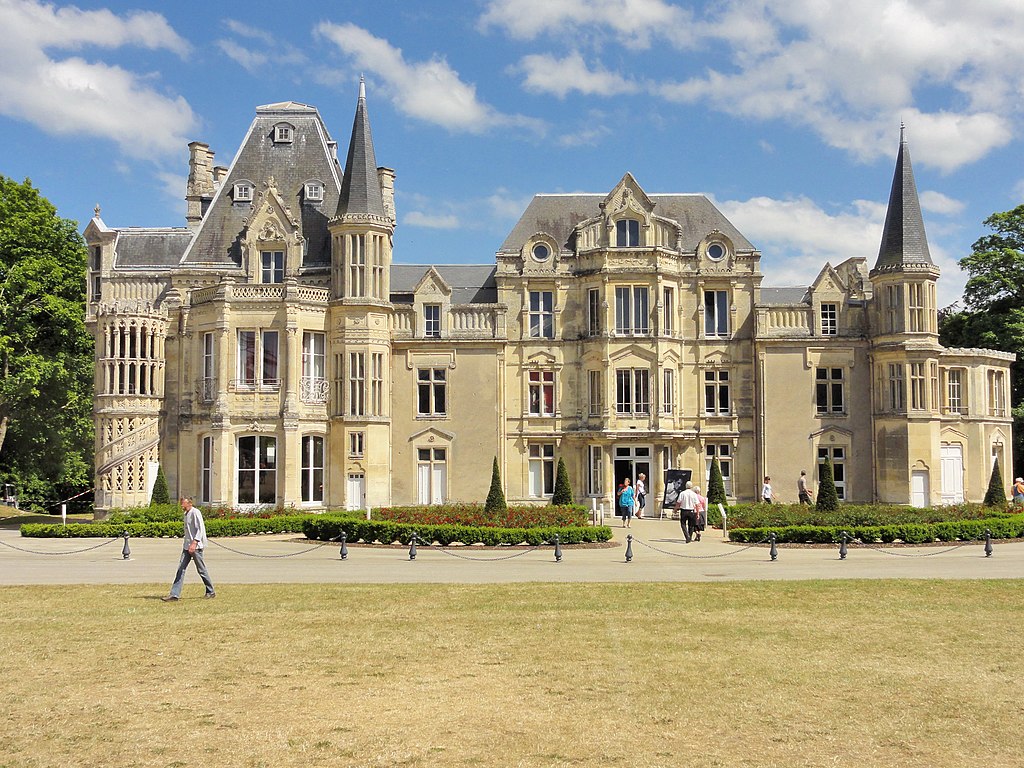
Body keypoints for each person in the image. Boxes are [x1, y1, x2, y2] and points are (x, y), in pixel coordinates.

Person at [162, 496, 216, 601]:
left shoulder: (195, 512)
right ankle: (174, 594)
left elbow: (200, 528)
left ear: (189, 503)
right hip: (187, 546)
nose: (182, 505)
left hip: (195, 547)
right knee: (181, 569)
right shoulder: (186, 514)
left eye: (183, 503)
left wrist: (195, 542)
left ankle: (210, 591)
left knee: (201, 569)